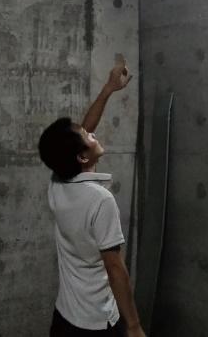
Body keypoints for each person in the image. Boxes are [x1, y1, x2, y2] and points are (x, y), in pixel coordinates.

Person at [39, 62, 146, 337]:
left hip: (64, 317)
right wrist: (134, 326)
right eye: (88, 136)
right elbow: (114, 267)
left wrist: (109, 88)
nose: (92, 132)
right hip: (96, 324)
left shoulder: (58, 184)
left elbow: (79, 135)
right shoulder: (100, 200)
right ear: (82, 157)